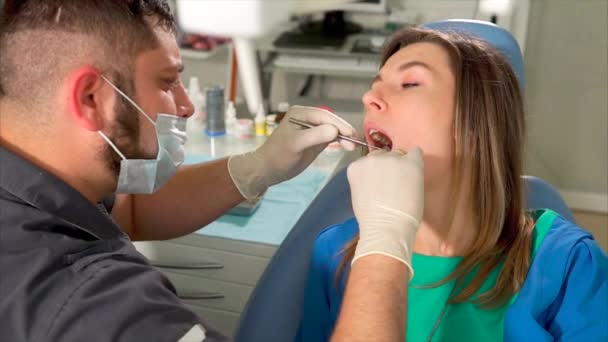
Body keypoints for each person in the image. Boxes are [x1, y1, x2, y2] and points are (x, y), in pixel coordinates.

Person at [0, 1, 417, 341]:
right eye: (167, 83)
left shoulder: (32, 175)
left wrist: (257, 167)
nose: (186, 106)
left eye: (413, 84)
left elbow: (128, 213)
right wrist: (385, 243)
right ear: (92, 98)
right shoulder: (94, 309)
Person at [297, 26, 608, 341]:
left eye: (410, 83)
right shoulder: (334, 253)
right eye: (374, 86)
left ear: (478, 123)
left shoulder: (568, 264)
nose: (368, 98)